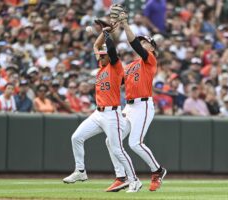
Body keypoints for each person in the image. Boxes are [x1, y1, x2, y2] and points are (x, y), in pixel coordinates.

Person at [63, 25, 141, 193]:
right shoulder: (101, 69)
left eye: (104, 56)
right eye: (101, 55)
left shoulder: (115, 66)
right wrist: (102, 31)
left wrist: (107, 33)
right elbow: (96, 47)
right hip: (98, 113)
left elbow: (111, 50)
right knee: (76, 137)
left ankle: (134, 180)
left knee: (117, 149)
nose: (101, 56)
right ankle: (80, 171)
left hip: (112, 114)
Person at [106, 12, 167, 192]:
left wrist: (125, 24)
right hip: (129, 107)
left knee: (135, 143)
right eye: (141, 41)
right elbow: (117, 77)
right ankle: (121, 176)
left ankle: (157, 171)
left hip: (144, 105)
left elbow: (134, 45)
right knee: (111, 140)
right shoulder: (131, 66)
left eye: (145, 41)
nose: (141, 43)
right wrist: (107, 36)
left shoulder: (150, 60)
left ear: (152, 47)